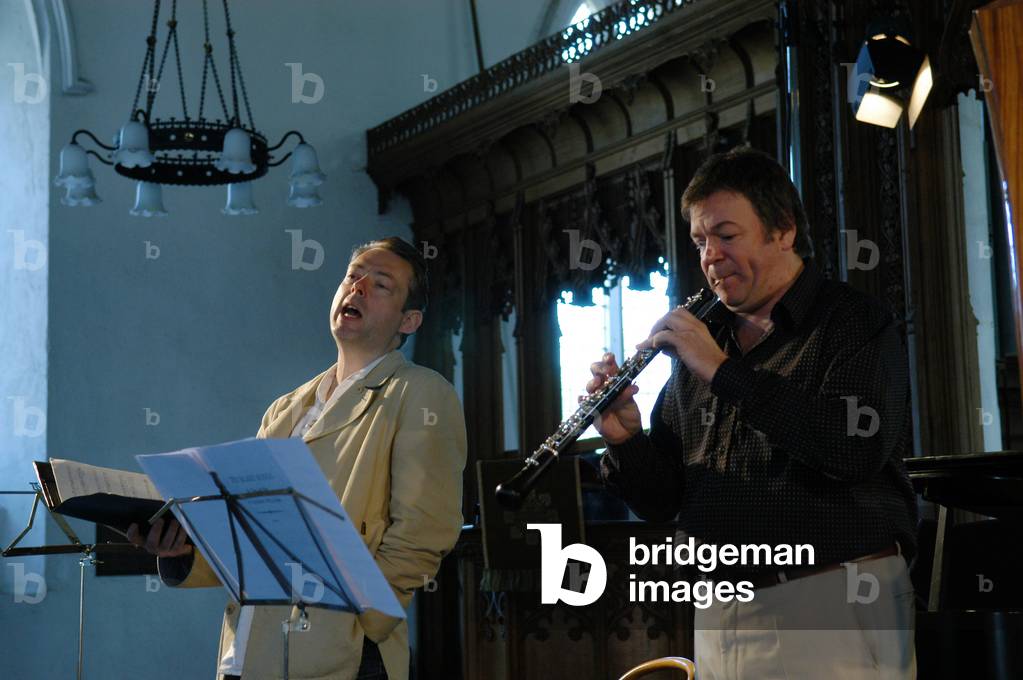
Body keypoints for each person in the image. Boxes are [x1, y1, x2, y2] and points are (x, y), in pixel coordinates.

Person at [587, 147, 918, 678]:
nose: (710, 256)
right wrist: (626, 440)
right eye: (700, 241)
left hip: (832, 599)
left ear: (783, 230)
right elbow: (662, 500)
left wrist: (722, 371)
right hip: (721, 609)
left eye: (726, 235)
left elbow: (852, 449)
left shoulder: (852, 322)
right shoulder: (706, 342)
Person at [128, 236, 467, 680]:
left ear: (410, 320)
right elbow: (251, 532)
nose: (358, 287)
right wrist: (181, 551)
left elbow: (425, 532)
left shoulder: (421, 393)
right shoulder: (286, 408)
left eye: (380, 284)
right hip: (250, 649)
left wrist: (363, 621)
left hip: (343, 656)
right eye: (352, 276)